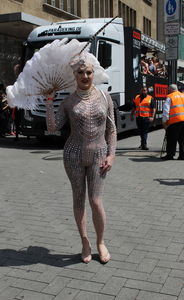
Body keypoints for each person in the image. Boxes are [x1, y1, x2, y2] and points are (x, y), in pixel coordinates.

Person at [45, 54, 117, 264]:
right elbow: (52, 127)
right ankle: (84, 242)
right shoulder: (68, 101)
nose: (85, 76)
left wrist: (111, 155)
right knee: (79, 199)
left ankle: (101, 242)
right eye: (80, 72)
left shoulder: (105, 97)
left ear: (94, 73)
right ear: (74, 75)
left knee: (95, 200)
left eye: (89, 72)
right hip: (73, 155)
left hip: (99, 155)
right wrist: (49, 101)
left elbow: (112, 131)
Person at [161, 84, 184, 160]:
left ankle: (170, 155)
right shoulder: (183, 95)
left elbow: (166, 110)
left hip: (174, 121)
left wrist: (165, 122)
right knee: (182, 139)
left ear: (170, 89)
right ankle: (182, 156)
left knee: (171, 139)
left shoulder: (170, 97)